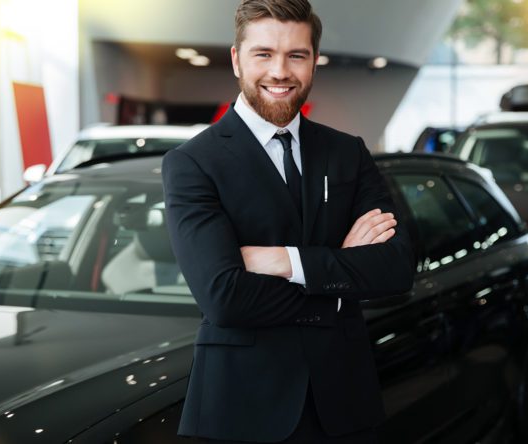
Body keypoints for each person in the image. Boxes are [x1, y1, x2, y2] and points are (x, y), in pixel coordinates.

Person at [162, 0, 414, 442]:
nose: (280, 72)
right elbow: (224, 298)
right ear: (237, 59)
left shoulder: (347, 152)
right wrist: (337, 283)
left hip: (344, 407)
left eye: (296, 55)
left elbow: (395, 267)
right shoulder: (192, 163)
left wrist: (285, 261)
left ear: (314, 61)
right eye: (264, 54)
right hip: (243, 412)